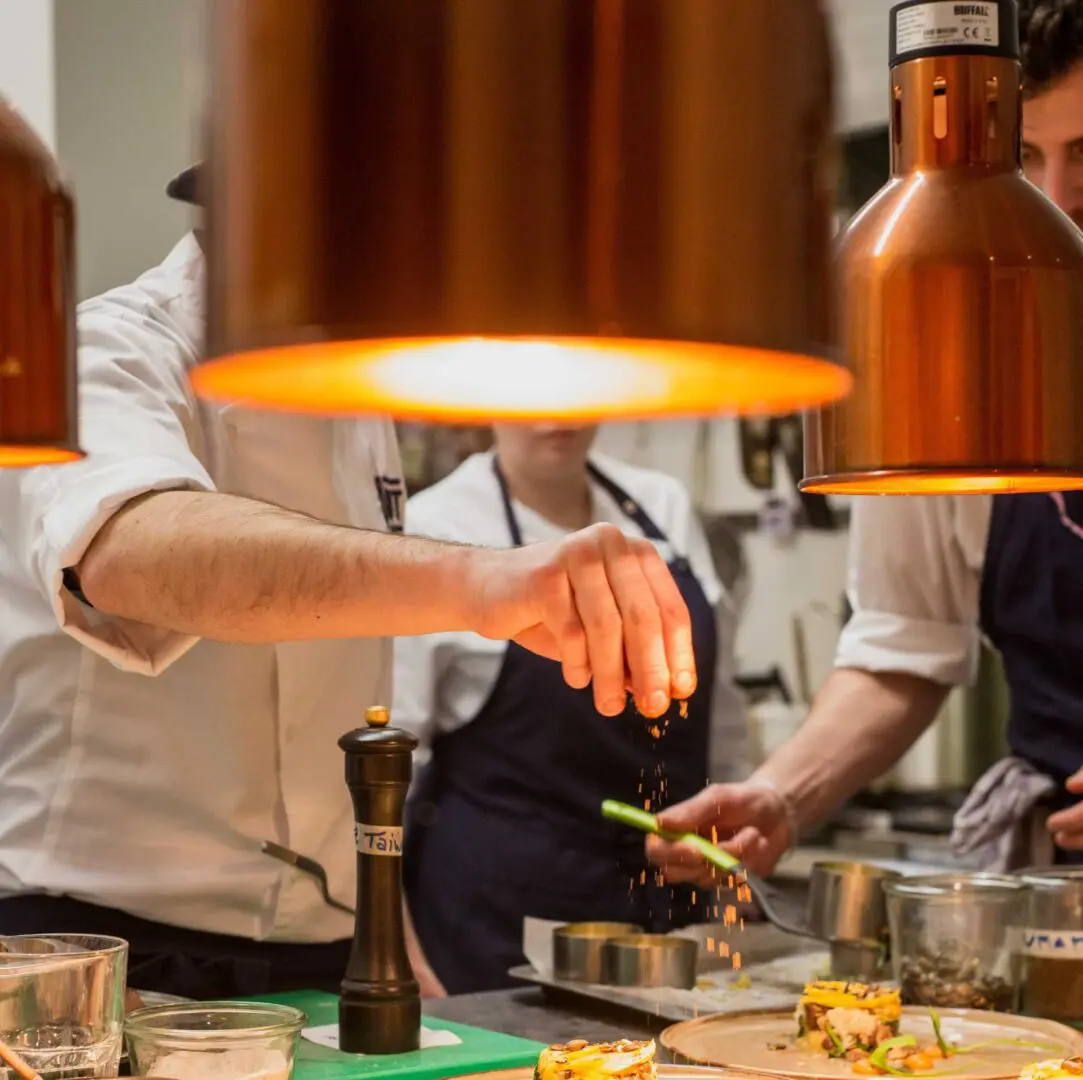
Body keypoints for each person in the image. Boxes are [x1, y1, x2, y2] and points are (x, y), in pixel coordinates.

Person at [0, 171, 697, 1000]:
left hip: (324, 955)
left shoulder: (352, 405)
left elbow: (347, 733)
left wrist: (398, 951)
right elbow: (132, 551)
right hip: (101, 956)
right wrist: (479, 578)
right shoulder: (104, 354)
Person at [647, 0, 1083, 885]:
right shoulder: (949, 385)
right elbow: (901, 647)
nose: (1055, 202)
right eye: (1018, 161)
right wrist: (781, 795)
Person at [393, 424, 749, 994]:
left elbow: (722, 710)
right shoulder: (437, 528)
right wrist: (402, 959)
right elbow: (386, 777)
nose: (551, 417)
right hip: (500, 934)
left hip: (671, 923)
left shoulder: (663, 508)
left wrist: (732, 845)